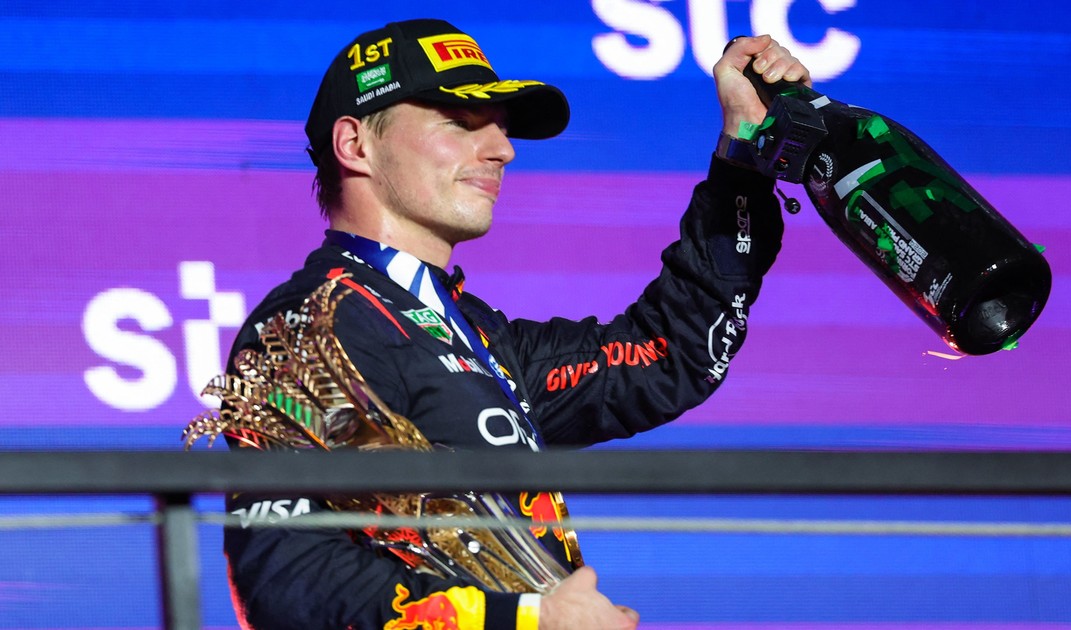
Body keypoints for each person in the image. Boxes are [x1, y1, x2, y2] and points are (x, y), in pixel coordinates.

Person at [222, 17, 809, 630]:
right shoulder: (310, 325)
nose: (502, 150)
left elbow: (666, 354)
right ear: (355, 145)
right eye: (460, 122)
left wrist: (745, 153)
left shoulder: (474, 332)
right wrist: (530, 617)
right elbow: (287, 581)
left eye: (500, 127)